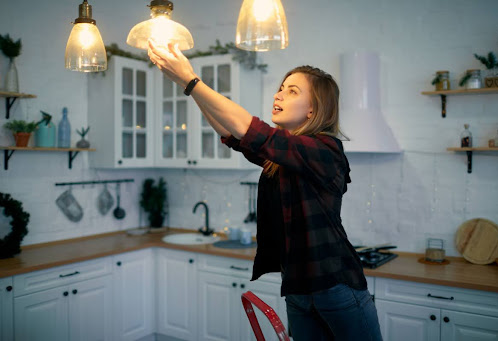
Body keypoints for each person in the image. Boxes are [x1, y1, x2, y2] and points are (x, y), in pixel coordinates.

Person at [148, 40, 382, 341]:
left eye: (292, 91)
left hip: (337, 286)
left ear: (313, 109)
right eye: (281, 87)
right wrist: (188, 85)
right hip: (297, 289)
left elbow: (253, 131)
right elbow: (232, 132)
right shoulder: (283, 159)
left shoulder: (324, 150)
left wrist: (193, 81)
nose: (279, 94)